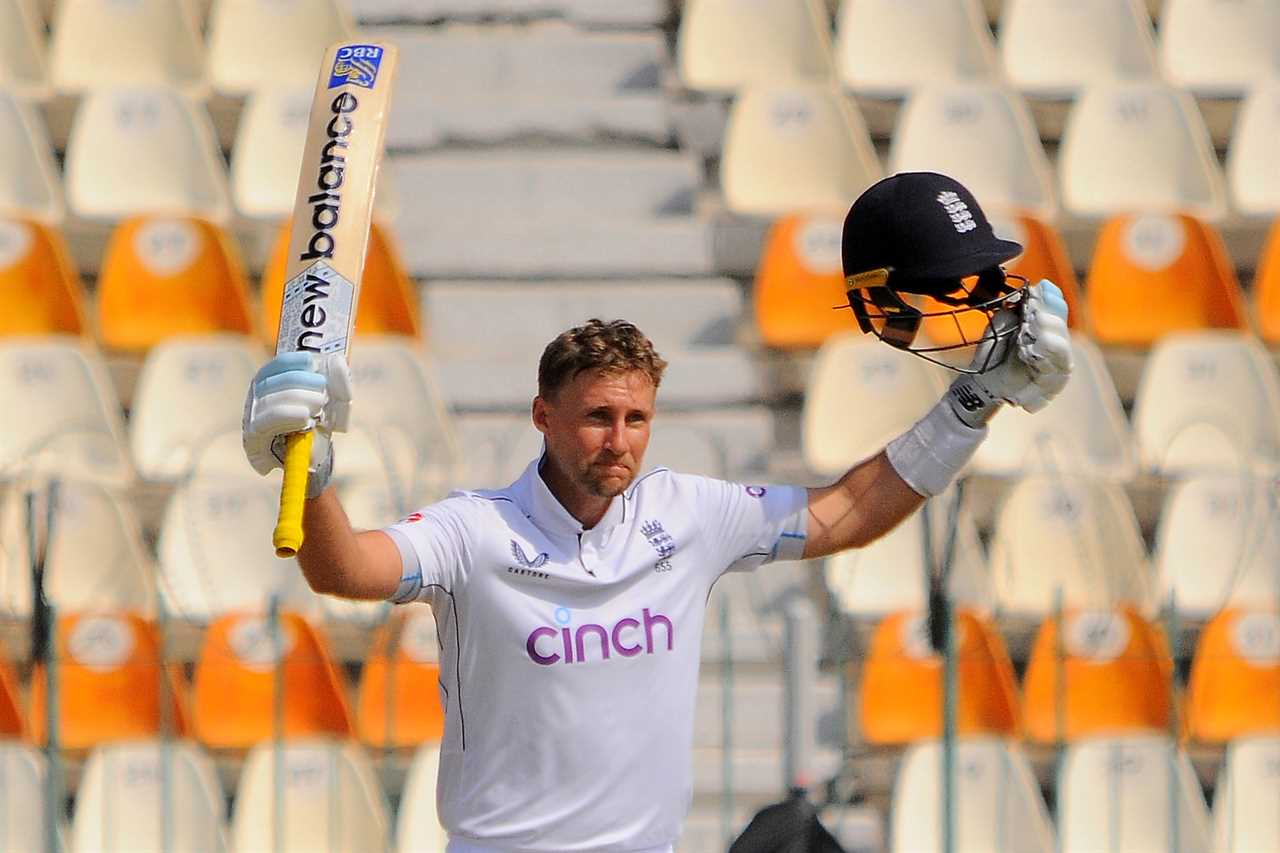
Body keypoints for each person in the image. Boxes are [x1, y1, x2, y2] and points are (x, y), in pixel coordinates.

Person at [241, 172, 1072, 853]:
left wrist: (971, 406)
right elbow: (346, 569)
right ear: (543, 416)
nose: (619, 441)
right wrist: (308, 478)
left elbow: (848, 511)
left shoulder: (688, 514)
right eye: (598, 417)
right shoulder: (476, 530)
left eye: (636, 419)